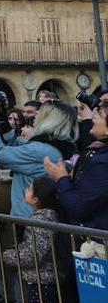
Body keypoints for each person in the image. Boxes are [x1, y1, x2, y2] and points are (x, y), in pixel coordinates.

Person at [0, 177, 67, 303]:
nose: (25, 190)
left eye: (29, 188)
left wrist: (9, 255)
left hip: (43, 279)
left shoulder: (41, 221)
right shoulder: (46, 217)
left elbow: (33, 254)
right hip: (45, 278)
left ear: (36, 199)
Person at [0, 102, 77, 219]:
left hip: (27, 218)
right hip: (31, 216)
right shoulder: (53, 147)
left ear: (50, 120)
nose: (36, 115)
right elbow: (14, 142)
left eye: (41, 112)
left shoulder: (40, 150)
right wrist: (2, 115)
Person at [44, 97, 108, 230]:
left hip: (94, 238)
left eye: (100, 115)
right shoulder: (98, 151)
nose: (93, 117)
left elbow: (79, 208)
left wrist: (62, 178)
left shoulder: (103, 162)